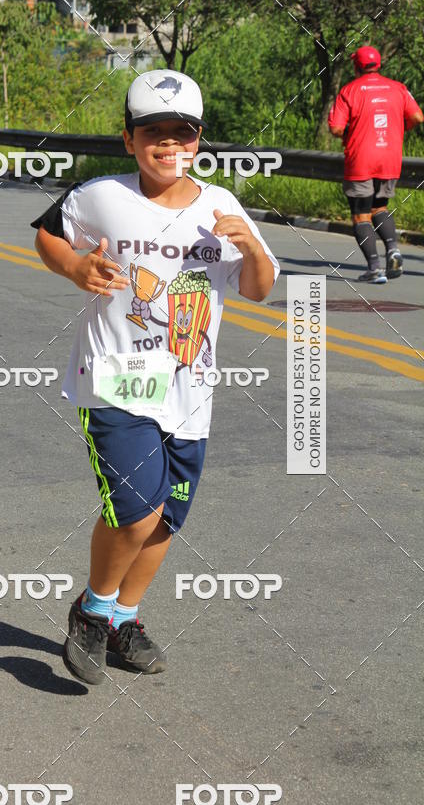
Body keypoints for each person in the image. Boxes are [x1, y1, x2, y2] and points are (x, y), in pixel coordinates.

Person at [30, 69, 280, 685]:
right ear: (129, 138)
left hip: (190, 390)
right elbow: (48, 235)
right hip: (114, 377)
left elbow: (259, 289)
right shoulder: (100, 196)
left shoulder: (221, 206)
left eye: (183, 133)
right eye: (153, 133)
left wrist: (249, 249)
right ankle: (91, 610)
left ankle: (124, 619)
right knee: (137, 509)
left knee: (167, 516)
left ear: (199, 140)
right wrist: (74, 268)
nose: (169, 145)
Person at [328, 45, 423, 283]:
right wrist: (400, 129)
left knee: (361, 216)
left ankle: (374, 268)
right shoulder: (398, 88)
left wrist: (351, 133)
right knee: (379, 207)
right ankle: (393, 250)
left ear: (356, 65)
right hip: (390, 157)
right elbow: (417, 117)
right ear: (378, 64)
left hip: (361, 159)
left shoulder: (349, 91)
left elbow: (336, 128)